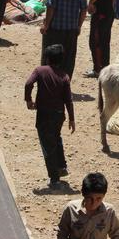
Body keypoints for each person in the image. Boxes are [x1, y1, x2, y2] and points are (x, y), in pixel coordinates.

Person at [25, 44, 74, 189]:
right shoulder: (64, 76)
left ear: (47, 59)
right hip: (59, 115)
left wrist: (28, 99)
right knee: (56, 138)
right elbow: (68, 100)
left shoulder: (40, 71)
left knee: (48, 145)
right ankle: (61, 167)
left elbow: (28, 83)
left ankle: (55, 179)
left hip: (44, 114)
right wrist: (72, 118)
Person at [41, 0, 87, 80]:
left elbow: (51, 7)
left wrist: (46, 25)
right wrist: (79, 26)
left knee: (51, 57)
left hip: (55, 29)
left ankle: (49, 83)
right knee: (68, 58)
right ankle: (64, 84)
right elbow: (83, 10)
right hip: (71, 30)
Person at [85, 0, 115, 78]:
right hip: (109, 13)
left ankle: (98, 70)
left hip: (100, 15)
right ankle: (105, 67)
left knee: (95, 41)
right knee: (105, 41)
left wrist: (91, 4)